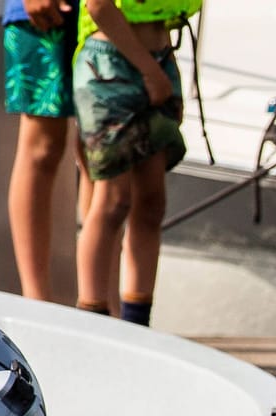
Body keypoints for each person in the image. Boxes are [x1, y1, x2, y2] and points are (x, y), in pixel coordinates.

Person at [71, 0, 196, 326]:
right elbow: (99, 6)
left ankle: (137, 323)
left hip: (159, 59)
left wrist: (160, 69)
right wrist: (150, 72)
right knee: (113, 200)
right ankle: (93, 320)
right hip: (110, 65)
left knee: (152, 201)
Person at [2, 0, 80, 301]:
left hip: (114, 16)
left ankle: (99, 306)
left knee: (100, 155)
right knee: (42, 148)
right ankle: (36, 301)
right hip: (44, 15)